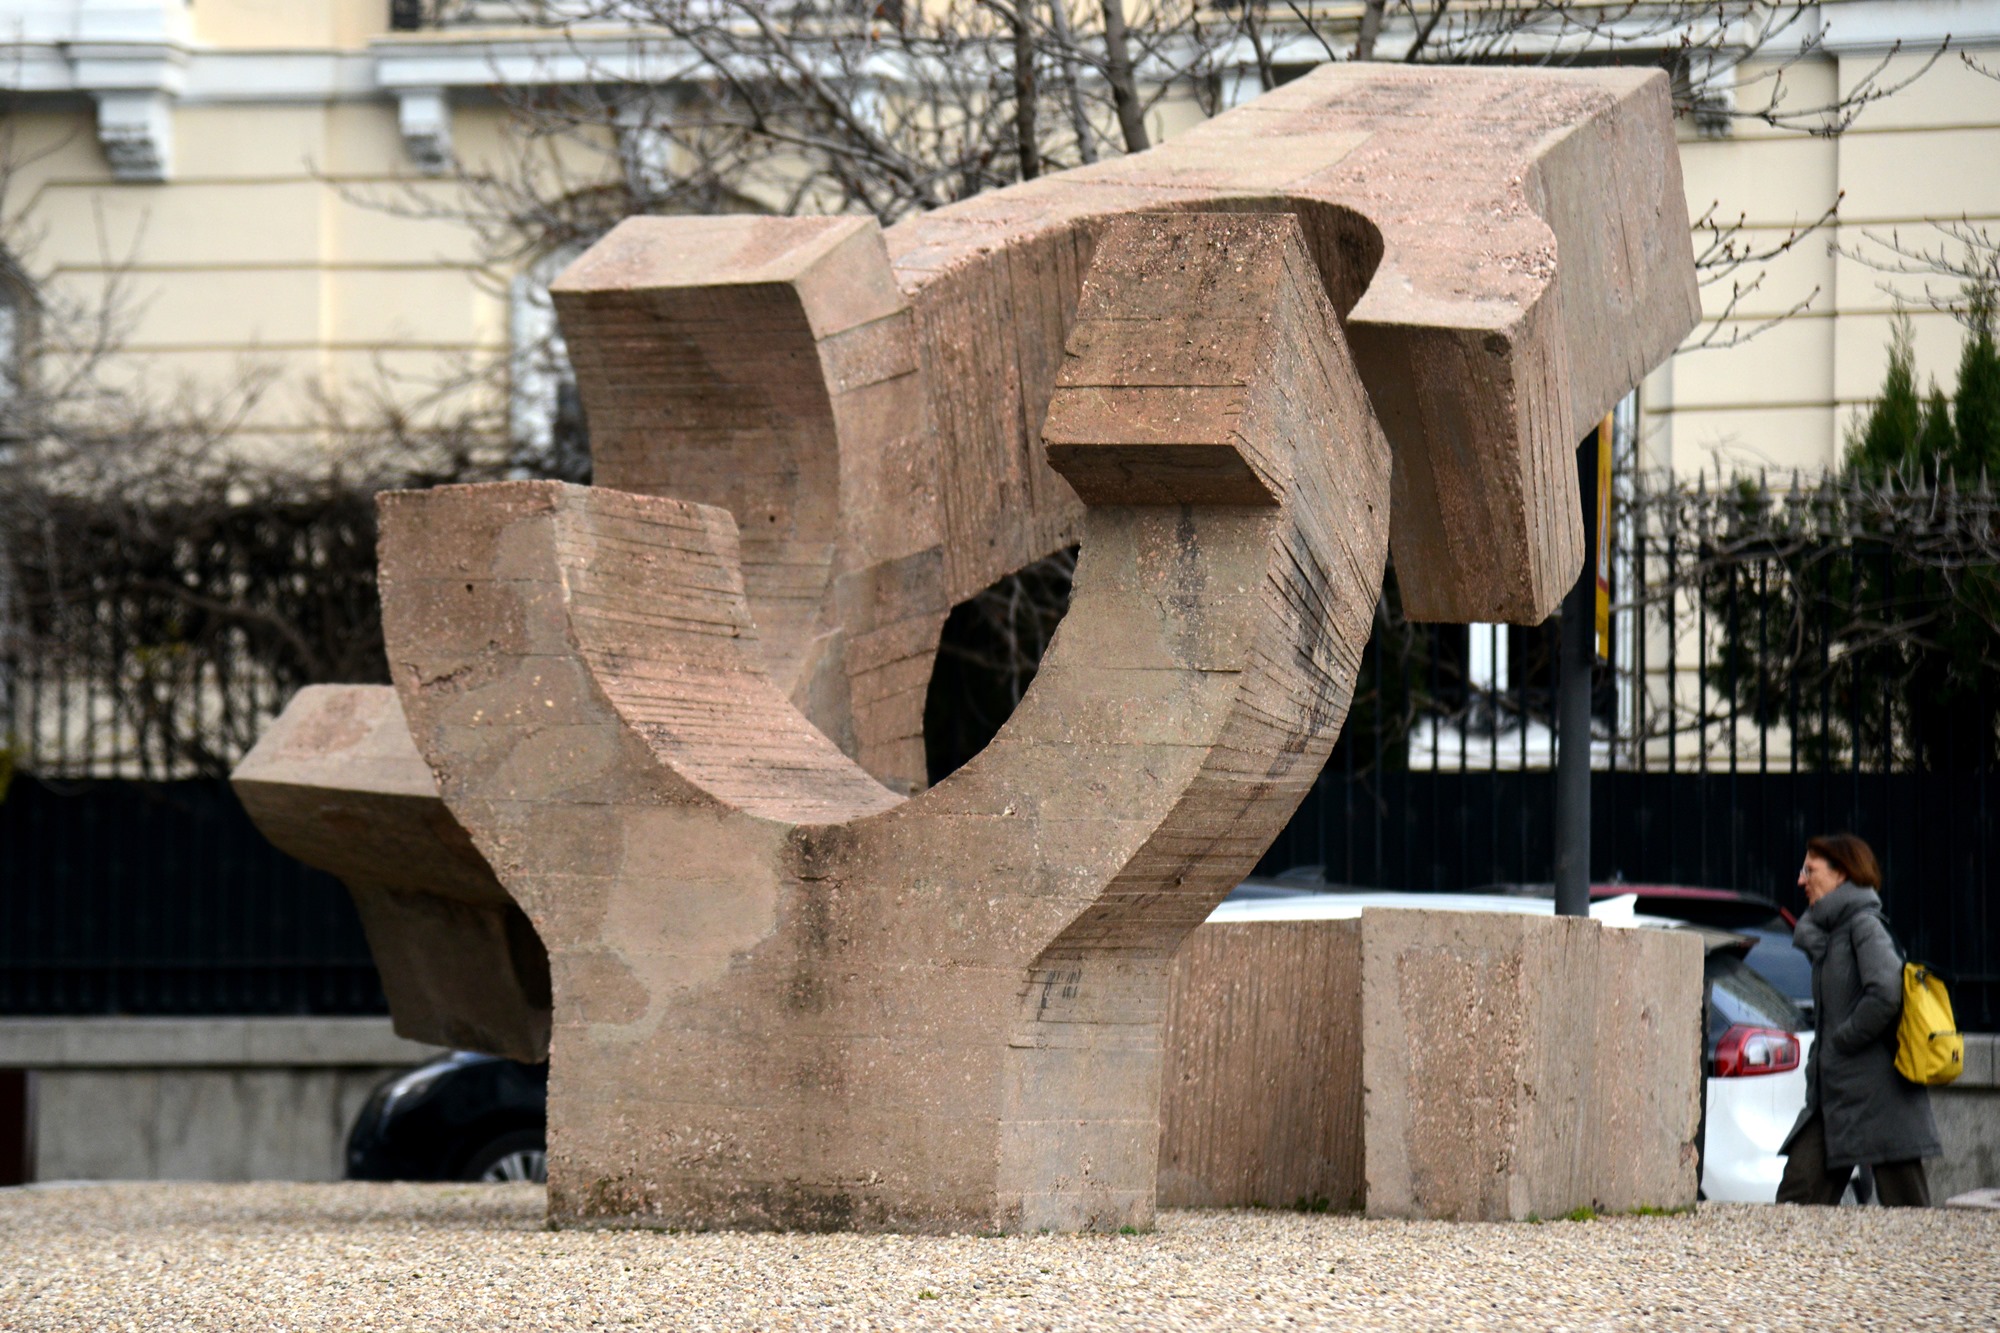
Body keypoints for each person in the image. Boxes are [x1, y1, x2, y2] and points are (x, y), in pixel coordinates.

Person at [1777, 833, 1940, 1206]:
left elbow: (1886, 993)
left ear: (1842, 874)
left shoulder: (1863, 925)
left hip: (1882, 1097)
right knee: (1794, 1205)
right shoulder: (1831, 933)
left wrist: (1842, 1040)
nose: (1801, 880)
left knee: (1910, 1220)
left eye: (1810, 869)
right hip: (1833, 1099)